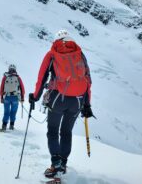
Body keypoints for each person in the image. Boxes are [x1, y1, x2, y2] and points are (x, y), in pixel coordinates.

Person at [28, 30, 94, 178]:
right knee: (66, 132)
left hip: (58, 98)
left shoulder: (52, 54)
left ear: (56, 40)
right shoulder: (80, 54)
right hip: (77, 100)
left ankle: (55, 164)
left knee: (52, 131)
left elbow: (42, 77)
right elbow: (87, 80)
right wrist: (87, 104)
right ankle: (63, 163)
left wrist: (36, 96)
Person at [0, 64, 25, 131]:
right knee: (13, 112)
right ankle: (11, 126)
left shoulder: (5, 77)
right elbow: (22, 88)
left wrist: (1, 97)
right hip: (15, 98)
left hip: (7, 97)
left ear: (9, 69)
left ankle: (4, 126)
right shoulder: (18, 78)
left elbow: (1, 88)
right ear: (15, 70)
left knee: (6, 112)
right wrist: (22, 98)